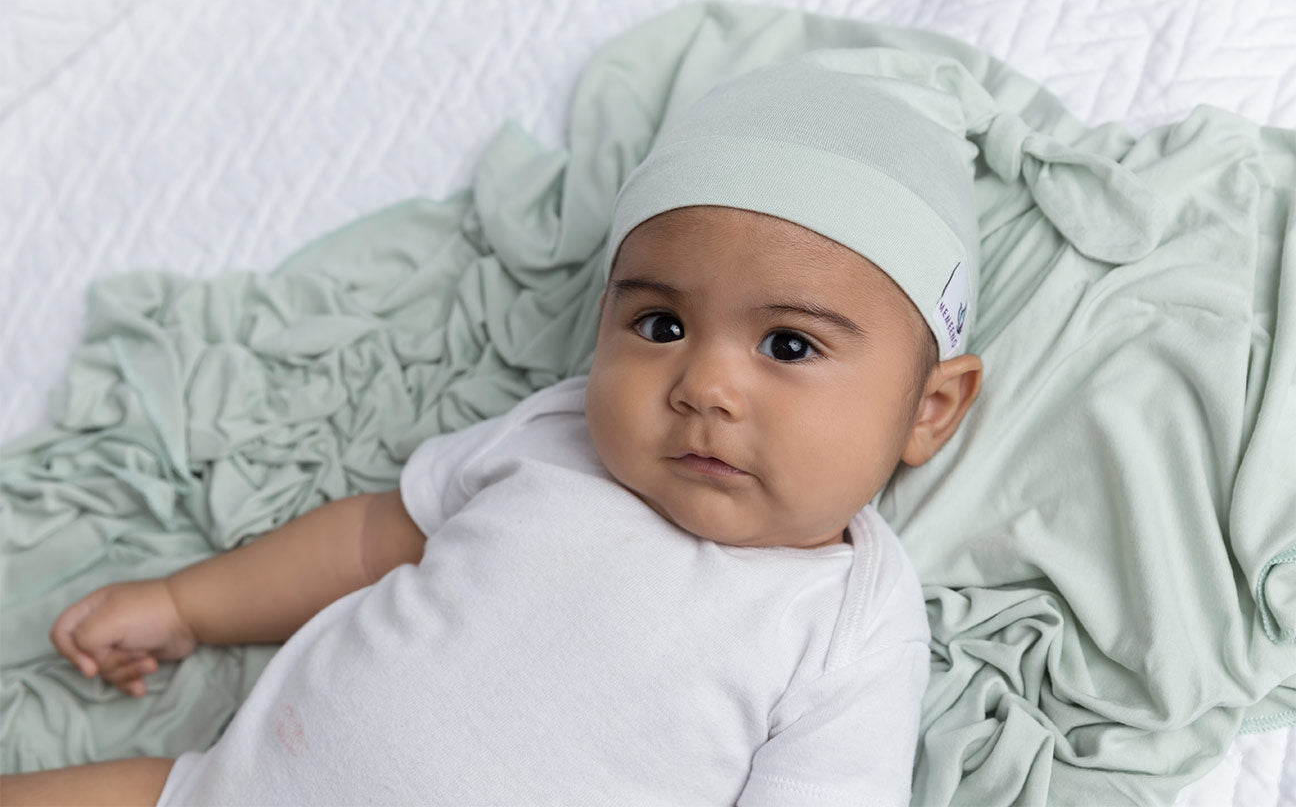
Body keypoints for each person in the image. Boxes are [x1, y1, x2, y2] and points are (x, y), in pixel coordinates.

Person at [2, 50, 984, 806]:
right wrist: (185, 606)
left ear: (928, 408)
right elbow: (365, 540)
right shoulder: (554, 443)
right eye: (660, 325)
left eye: (789, 346)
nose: (705, 386)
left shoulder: (846, 622)